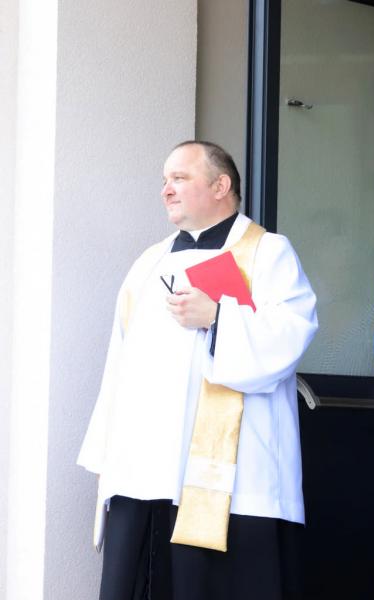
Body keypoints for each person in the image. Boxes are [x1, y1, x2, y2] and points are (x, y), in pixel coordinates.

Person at [77, 141, 318, 600]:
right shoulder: (149, 263)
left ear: (221, 185)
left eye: (179, 178)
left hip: (231, 478)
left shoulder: (267, 252)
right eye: (164, 181)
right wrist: (110, 453)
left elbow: (290, 335)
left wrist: (218, 318)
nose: (166, 190)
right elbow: (119, 363)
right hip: (145, 470)